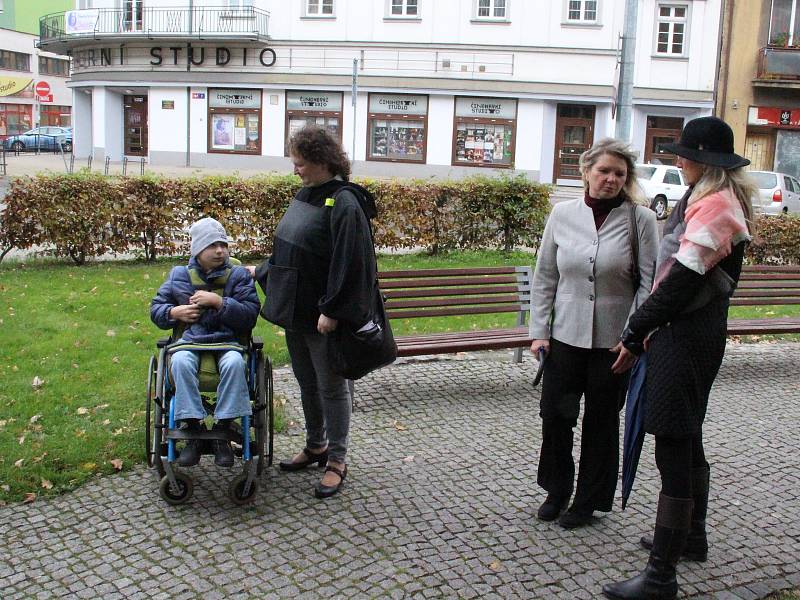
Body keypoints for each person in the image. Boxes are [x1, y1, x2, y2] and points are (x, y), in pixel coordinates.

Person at [602, 117, 755, 600]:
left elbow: (679, 284)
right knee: (686, 438)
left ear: (704, 160)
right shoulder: (705, 199)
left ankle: (660, 576)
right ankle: (692, 536)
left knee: (672, 443)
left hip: (684, 338)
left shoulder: (717, 209)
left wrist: (633, 332)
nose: (678, 160)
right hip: (688, 335)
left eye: (684, 154)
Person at [530, 138, 659, 529]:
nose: (611, 179)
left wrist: (634, 336)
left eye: (619, 173)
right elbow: (545, 275)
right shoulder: (563, 214)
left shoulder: (641, 220)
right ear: (586, 172)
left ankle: (588, 500)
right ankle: (557, 489)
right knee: (556, 415)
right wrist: (539, 331)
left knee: (601, 422)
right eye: (604, 171)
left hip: (614, 343)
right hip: (565, 337)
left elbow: (648, 282)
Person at [250, 126, 377, 499]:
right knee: (307, 384)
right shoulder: (308, 194)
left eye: (300, 163)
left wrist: (333, 310)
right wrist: (260, 272)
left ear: (322, 162)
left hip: (322, 317)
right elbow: (291, 248)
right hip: (296, 311)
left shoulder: (345, 202)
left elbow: (352, 263)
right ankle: (315, 444)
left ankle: (337, 459)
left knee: (332, 388)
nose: (296, 170)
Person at [150, 217, 260, 467]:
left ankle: (223, 429)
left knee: (234, 364)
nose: (220, 250)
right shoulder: (179, 275)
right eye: (212, 245)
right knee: (178, 361)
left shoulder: (238, 276)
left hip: (228, 342)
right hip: (190, 341)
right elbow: (156, 309)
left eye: (223, 244)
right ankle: (192, 429)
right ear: (198, 250)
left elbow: (250, 314)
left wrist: (220, 303)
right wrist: (173, 313)